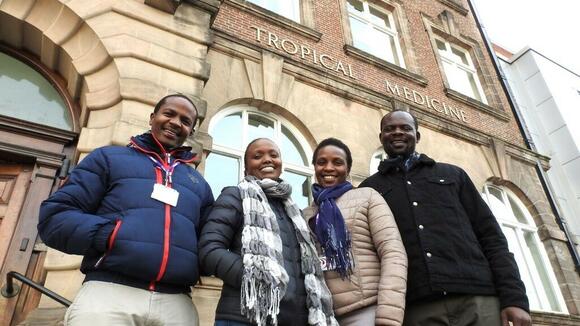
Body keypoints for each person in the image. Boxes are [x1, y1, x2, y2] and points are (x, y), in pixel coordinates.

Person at [38, 94, 214, 325]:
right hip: (109, 295)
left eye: (185, 120)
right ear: (152, 118)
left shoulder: (198, 183)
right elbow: (55, 218)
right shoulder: (108, 158)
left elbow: (208, 241)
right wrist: (110, 234)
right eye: (169, 113)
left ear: (190, 131)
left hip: (177, 303)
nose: (175, 122)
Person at [360, 110, 532, 326]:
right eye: (390, 129)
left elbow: (492, 238)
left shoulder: (453, 175)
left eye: (405, 128)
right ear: (381, 137)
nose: (397, 133)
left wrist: (515, 299)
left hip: (478, 300)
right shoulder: (370, 189)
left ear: (417, 136)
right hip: (416, 308)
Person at [199, 138, 337, 326]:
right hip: (244, 316)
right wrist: (256, 280)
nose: (267, 159)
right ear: (246, 168)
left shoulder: (294, 211)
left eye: (274, 155)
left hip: (294, 320)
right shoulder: (235, 196)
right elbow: (210, 250)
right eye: (257, 156)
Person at [303, 138, 407, 326]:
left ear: (348, 169)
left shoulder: (367, 197)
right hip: (324, 316)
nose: (328, 168)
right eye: (321, 162)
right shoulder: (306, 213)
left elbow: (393, 253)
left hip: (366, 311)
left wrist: (388, 314)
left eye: (337, 162)